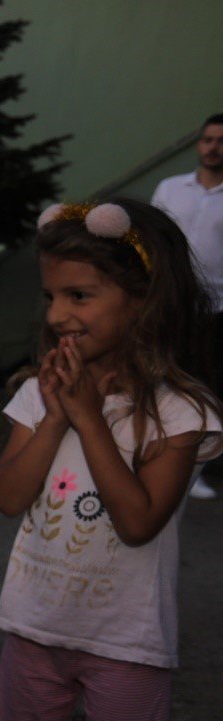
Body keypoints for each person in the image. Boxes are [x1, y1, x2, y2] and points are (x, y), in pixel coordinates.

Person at [0, 199, 223, 721]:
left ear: (143, 301)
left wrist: (89, 418)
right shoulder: (41, 394)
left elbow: (139, 519)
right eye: (51, 296)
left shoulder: (180, 411)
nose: (59, 313)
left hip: (126, 641)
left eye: (80, 295)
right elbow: (8, 496)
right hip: (35, 623)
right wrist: (58, 417)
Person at [151, 113, 223, 499]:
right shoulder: (170, 188)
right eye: (208, 139)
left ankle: (191, 470)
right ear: (199, 144)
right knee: (157, 374)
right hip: (167, 301)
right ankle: (146, 452)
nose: (214, 147)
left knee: (202, 387)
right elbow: (151, 238)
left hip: (215, 309)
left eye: (221, 141)